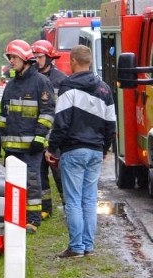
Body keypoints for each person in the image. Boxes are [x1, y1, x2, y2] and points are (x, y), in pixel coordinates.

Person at [45, 45, 116, 258]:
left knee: (74, 200)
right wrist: (104, 149)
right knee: (89, 199)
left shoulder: (68, 86)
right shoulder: (104, 89)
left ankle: (76, 247)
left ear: (74, 61)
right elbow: (111, 125)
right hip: (95, 151)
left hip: (73, 150)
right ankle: (88, 245)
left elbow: (61, 122)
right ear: (90, 62)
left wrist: (52, 148)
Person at [0, 39, 56, 234]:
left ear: (25, 58)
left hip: (31, 148)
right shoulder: (11, 85)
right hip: (11, 146)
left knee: (32, 183)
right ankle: (15, 218)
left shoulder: (41, 82)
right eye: (10, 58)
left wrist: (39, 137)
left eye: (14, 57)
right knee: (12, 184)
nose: (11, 61)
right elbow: (4, 114)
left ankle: (33, 220)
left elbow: (47, 113)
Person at [32, 39, 68, 220]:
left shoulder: (62, 80)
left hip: (56, 136)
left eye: (40, 57)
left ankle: (69, 206)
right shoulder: (32, 79)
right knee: (40, 175)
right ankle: (45, 209)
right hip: (38, 134)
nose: (37, 60)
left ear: (49, 57)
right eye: (35, 57)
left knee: (60, 175)